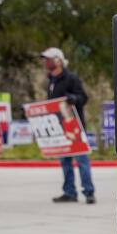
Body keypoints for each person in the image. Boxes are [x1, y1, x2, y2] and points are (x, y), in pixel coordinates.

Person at [41, 47, 95, 204]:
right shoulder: (51, 80)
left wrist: (73, 99)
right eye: (45, 59)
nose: (46, 62)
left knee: (82, 160)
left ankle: (89, 192)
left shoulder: (71, 78)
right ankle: (69, 192)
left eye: (49, 59)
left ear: (58, 60)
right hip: (60, 128)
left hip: (75, 127)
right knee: (65, 162)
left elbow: (83, 98)